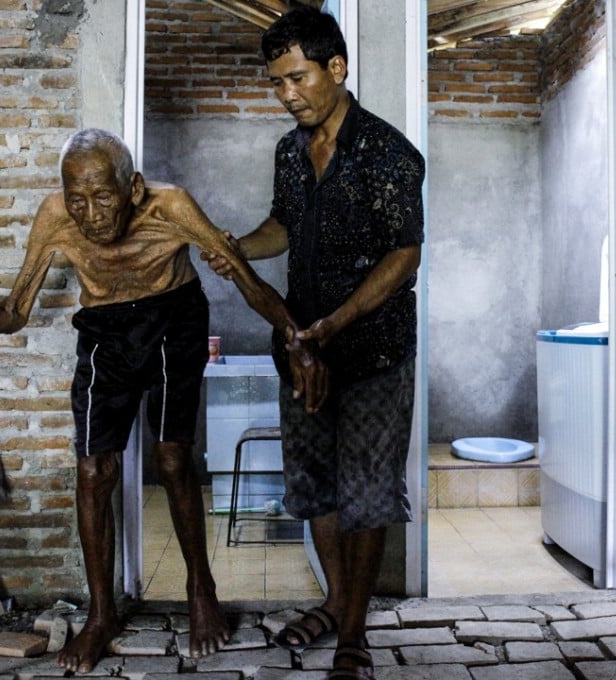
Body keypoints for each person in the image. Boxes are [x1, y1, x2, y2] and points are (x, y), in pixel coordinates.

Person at [0, 128, 328, 673]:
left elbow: (245, 279)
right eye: (77, 199)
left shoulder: (172, 206)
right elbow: (14, 312)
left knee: (172, 457)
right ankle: (101, 614)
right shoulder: (55, 218)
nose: (90, 215)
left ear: (132, 188)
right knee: (92, 471)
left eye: (103, 196)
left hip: (173, 316)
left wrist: (295, 338)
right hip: (104, 332)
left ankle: (199, 587)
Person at [202, 7, 424, 679]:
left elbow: (403, 258)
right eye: (276, 83)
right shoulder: (289, 152)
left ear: (337, 68)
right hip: (303, 350)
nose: (287, 94)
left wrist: (334, 325)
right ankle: (336, 601)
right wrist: (238, 246)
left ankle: (353, 632)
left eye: (297, 78)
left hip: (373, 350)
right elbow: (284, 226)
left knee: (365, 489)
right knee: (317, 485)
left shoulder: (387, 152)